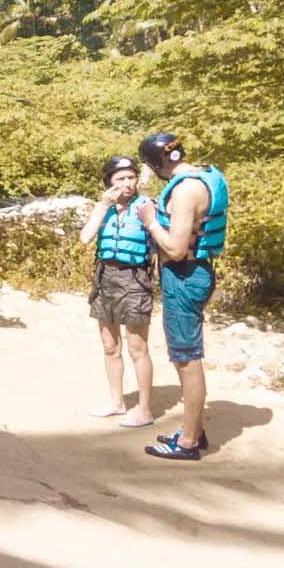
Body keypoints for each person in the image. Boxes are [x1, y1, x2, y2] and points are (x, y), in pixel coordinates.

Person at [133, 131, 229, 461]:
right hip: (193, 273)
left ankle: (188, 442)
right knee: (183, 356)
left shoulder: (186, 190)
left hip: (186, 276)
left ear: (158, 163)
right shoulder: (200, 177)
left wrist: (149, 221)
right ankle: (194, 430)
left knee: (187, 359)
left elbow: (174, 248)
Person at [79, 155, 157, 428]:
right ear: (109, 183)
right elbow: (86, 237)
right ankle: (116, 401)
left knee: (138, 348)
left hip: (135, 280)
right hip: (105, 278)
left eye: (131, 178)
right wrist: (102, 206)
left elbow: (161, 245)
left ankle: (145, 409)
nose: (127, 184)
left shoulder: (146, 206)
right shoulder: (105, 209)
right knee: (110, 346)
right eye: (120, 179)